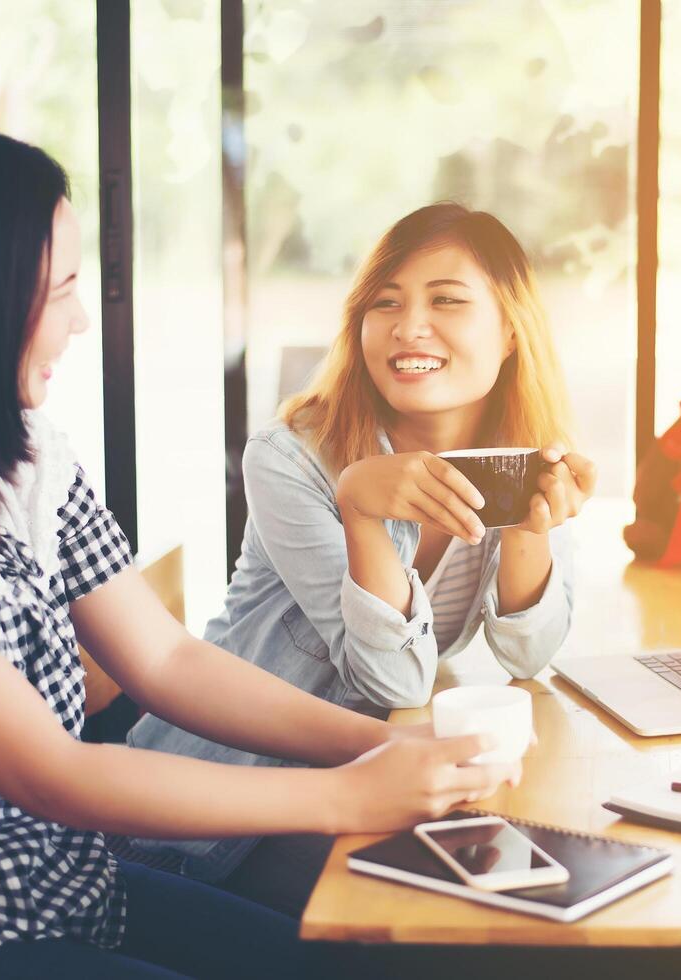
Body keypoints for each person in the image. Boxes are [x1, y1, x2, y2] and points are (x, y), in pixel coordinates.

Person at [0, 122, 515, 980]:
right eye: (60, 293)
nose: (83, 321)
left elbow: (164, 657)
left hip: (55, 884)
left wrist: (374, 747)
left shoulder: (16, 443)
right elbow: (50, 773)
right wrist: (346, 793)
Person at [128, 202, 596, 910]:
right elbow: (394, 682)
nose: (409, 327)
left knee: (557, 869)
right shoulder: (290, 458)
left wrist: (530, 523)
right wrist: (360, 507)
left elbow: (527, 657)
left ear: (508, 330)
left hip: (360, 782)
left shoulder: (520, 449)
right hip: (213, 821)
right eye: (386, 303)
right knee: (467, 914)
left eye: (446, 301)